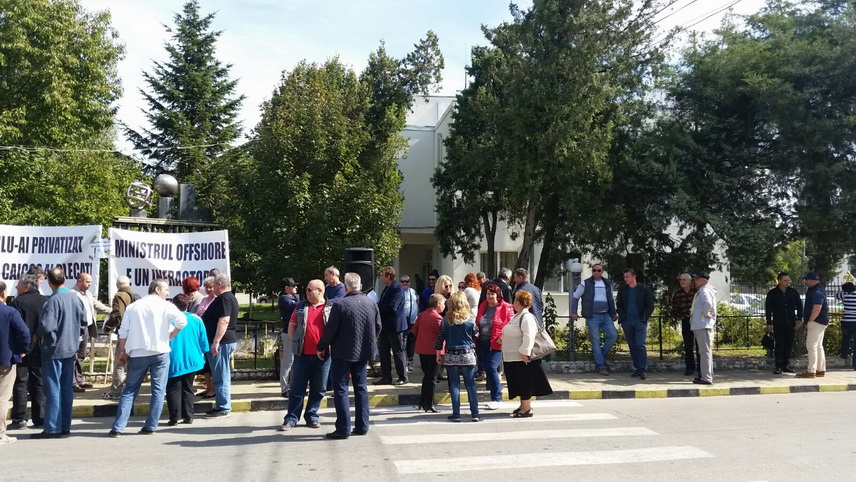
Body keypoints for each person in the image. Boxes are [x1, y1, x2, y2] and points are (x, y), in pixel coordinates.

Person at [109, 279, 187, 436]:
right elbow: (182, 321)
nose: (167, 293)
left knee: (130, 390)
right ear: (157, 289)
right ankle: (151, 426)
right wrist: (172, 335)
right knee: (158, 391)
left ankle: (118, 427)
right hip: (160, 352)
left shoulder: (133, 307)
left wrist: (123, 352)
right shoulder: (166, 306)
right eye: (166, 290)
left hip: (138, 352)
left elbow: (123, 332)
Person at [317, 273, 381, 439]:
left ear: (345, 287)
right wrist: (367, 340)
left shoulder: (340, 304)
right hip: (363, 351)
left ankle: (343, 428)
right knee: (361, 388)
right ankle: (362, 425)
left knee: (341, 389)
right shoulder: (371, 303)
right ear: (360, 286)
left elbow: (330, 329)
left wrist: (321, 346)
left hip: (342, 352)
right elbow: (378, 326)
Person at [33, 267, 87, 439]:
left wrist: (37, 333)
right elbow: (84, 323)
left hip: (53, 350)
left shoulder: (53, 301)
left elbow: (47, 326)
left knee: (53, 390)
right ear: (64, 279)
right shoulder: (76, 298)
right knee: (66, 389)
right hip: (70, 349)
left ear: (49, 282)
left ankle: (52, 428)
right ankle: (65, 426)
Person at [279, 280, 331, 431]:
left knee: (319, 388)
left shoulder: (331, 307)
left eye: (310, 290)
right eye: (306, 289)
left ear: (320, 291)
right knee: (297, 388)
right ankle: (291, 418)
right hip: (302, 354)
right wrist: (293, 343)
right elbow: (292, 324)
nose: (306, 292)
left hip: (323, 356)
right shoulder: (301, 306)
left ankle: (312, 416)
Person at [501, 290, 552, 417]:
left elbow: (529, 336)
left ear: (518, 302)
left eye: (515, 300)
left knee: (525, 382)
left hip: (521, 357)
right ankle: (522, 406)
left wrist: (525, 352)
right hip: (513, 357)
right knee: (518, 381)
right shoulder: (517, 316)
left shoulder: (527, 317)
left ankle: (526, 408)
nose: (513, 303)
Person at [8, 274, 48, 430]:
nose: (16, 287)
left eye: (18, 284)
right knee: (39, 382)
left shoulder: (17, 302)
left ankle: (20, 418)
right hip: (41, 348)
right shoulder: (46, 301)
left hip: (21, 349)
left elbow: (14, 327)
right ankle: (40, 418)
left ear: (27, 286)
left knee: (20, 383)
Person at [434, 291, 479, 422]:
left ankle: (456, 414)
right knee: (470, 385)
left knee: (454, 385)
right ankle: (475, 413)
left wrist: (438, 354)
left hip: (451, 355)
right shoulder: (471, 320)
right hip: (467, 355)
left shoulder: (445, 320)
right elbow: (476, 334)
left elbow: (439, 339)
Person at [166, 293, 208, 426]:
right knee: (188, 387)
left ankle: (174, 417)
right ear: (188, 305)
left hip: (173, 359)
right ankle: (188, 416)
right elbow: (203, 342)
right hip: (193, 359)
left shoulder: (167, 320)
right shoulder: (196, 320)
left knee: (173, 388)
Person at [201, 273, 239, 417]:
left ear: (219, 284)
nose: (212, 288)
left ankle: (223, 407)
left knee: (220, 375)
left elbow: (224, 320)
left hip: (221, 343)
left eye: (214, 285)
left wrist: (216, 341)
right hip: (223, 341)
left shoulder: (225, 298)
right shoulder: (227, 298)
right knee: (220, 374)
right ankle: (222, 405)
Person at [571, 263, 618, 376]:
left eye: (599, 270)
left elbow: (611, 299)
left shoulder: (607, 283)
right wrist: (574, 312)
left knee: (613, 335)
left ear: (602, 272)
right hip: (592, 316)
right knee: (595, 341)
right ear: (592, 271)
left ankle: (600, 357)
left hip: (606, 315)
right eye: (594, 270)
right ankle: (601, 365)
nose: (596, 272)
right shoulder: (585, 283)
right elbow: (575, 297)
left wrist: (614, 313)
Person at [0, 281, 31, 444]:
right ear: (3, 294)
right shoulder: (9, 312)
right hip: (5, 360)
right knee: (2, 398)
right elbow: (24, 332)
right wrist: (23, 350)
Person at [69, 272, 110, 392]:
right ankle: (72, 383)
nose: (90, 284)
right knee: (74, 356)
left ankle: (79, 380)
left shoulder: (88, 294)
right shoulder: (72, 294)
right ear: (79, 281)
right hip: (76, 329)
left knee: (81, 355)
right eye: (87, 282)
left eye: (91, 282)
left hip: (86, 328)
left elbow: (98, 305)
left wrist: (113, 311)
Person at [475, 283, 514, 410]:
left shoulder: (506, 307)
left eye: (492, 294)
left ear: (498, 295)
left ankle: (497, 398)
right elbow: (478, 321)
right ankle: (493, 397)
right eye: (488, 294)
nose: (490, 296)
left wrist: (502, 337)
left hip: (496, 343)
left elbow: (511, 324)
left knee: (492, 368)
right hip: (483, 342)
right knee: (487, 369)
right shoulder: (483, 305)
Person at [101, 276, 140, 400]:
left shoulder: (119, 296)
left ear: (117, 285)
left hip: (125, 334)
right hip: (136, 334)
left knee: (120, 362)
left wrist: (107, 327)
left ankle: (116, 391)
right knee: (132, 364)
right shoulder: (136, 296)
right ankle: (131, 391)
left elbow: (117, 315)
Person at [616, 268, 656, 380]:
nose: (625, 279)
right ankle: (637, 368)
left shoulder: (644, 289)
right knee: (632, 345)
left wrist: (644, 317)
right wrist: (622, 316)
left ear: (634, 276)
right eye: (624, 277)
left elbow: (650, 305)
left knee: (640, 344)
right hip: (627, 321)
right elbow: (619, 304)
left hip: (639, 321)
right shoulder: (623, 289)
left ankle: (642, 369)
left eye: (627, 277)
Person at [375, 266, 408, 385]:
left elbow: (392, 307)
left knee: (397, 351)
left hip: (395, 327)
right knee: (383, 352)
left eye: (383, 275)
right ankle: (386, 377)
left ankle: (402, 377)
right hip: (385, 326)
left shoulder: (397, 288)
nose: (381, 278)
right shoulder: (387, 288)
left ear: (389, 276)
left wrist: (377, 306)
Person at [765, 272, 803, 374]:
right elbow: (768, 309)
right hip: (779, 322)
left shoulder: (793, 292)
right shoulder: (772, 293)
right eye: (785, 280)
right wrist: (769, 323)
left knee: (788, 344)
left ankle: (785, 365)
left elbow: (799, 306)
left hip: (791, 322)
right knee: (779, 344)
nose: (787, 282)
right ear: (779, 281)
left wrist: (799, 320)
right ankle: (778, 366)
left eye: (788, 280)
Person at [412, 294, 445, 412]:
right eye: (443, 304)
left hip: (422, 350)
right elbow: (442, 336)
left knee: (427, 376)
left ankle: (423, 401)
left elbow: (415, 330)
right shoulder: (438, 319)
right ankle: (429, 403)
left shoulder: (422, 315)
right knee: (432, 378)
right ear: (438, 304)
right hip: (433, 352)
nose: (444, 306)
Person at [796, 271, 829, 378]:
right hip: (821, 321)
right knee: (818, 345)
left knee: (811, 346)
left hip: (816, 321)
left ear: (811, 280)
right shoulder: (818, 290)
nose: (806, 282)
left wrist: (810, 321)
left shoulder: (816, 291)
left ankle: (811, 371)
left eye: (807, 280)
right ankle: (820, 369)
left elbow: (816, 309)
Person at [690, 271, 717, 385]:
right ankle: (705, 376)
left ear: (704, 280)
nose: (695, 281)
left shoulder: (704, 290)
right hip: (702, 325)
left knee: (704, 352)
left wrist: (706, 313)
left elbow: (707, 303)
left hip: (702, 325)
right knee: (704, 352)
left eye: (697, 279)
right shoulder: (704, 290)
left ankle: (706, 377)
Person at [670, 273, 698, 376]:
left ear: (690, 281)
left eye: (684, 280)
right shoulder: (678, 294)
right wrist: (680, 316)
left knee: (699, 344)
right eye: (680, 280)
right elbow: (674, 308)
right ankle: (690, 367)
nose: (682, 282)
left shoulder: (696, 292)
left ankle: (701, 367)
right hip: (686, 320)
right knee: (688, 344)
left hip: (697, 320)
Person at [278, 277, 301, 397]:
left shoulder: (294, 297)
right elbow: (298, 306)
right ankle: (285, 388)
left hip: (296, 333)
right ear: (286, 288)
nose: (296, 287)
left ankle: (293, 387)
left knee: (295, 361)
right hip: (288, 333)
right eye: (293, 286)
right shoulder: (284, 299)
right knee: (288, 361)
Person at [195, 276, 217, 398]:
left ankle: (214, 389)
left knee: (213, 363)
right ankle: (208, 387)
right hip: (203, 334)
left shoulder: (217, 300)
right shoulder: (204, 299)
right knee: (206, 364)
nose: (208, 289)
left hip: (212, 333)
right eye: (206, 287)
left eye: (211, 287)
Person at [400, 275, 419, 372]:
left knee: (411, 342)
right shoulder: (399, 292)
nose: (404, 283)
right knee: (403, 342)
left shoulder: (413, 291)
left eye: (406, 281)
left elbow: (417, 301)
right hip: (403, 321)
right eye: (402, 281)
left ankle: (410, 362)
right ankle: (404, 363)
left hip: (413, 321)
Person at [836, 281, 856, 370]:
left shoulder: (845, 296)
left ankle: (844, 353)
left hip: (846, 321)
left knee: (845, 338)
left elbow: (836, 295)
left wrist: (845, 292)